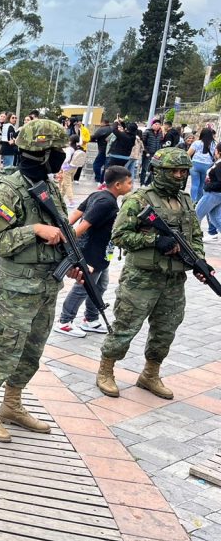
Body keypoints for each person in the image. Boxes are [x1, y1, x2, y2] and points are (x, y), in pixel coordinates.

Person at [0, 119, 74, 443]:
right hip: (18, 287)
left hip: (46, 285)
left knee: (32, 349)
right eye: (58, 150)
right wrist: (34, 231)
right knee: (5, 347)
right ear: (43, 153)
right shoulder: (8, 190)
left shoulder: (48, 185)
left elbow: (60, 228)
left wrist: (70, 261)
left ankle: (12, 403)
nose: (62, 156)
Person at [96, 147, 211, 399]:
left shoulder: (185, 201)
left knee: (166, 329)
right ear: (158, 172)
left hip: (173, 279)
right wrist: (154, 240)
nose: (179, 176)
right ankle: (106, 370)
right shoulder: (138, 200)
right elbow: (119, 235)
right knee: (126, 326)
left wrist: (200, 262)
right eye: (174, 171)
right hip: (141, 278)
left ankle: (150, 374)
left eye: (183, 171)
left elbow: (196, 236)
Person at [53, 166, 133, 337]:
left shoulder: (98, 195)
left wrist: (64, 231)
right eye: (129, 182)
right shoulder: (106, 202)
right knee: (84, 287)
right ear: (117, 185)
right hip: (91, 253)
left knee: (101, 285)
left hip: (102, 253)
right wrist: (64, 240)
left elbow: (75, 213)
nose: (131, 186)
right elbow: (83, 225)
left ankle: (90, 319)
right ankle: (65, 321)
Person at [196, 153, 221, 242]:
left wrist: (208, 187)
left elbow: (219, 182)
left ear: (219, 152)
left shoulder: (219, 165)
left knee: (196, 215)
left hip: (213, 194)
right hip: (216, 194)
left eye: (216, 150)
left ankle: (192, 237)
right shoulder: (217, 163)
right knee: (215, 218)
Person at [189, 127, 218, 203]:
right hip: (207, 166)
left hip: (195, 164)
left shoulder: (197, 143)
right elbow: (216, 156)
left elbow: (188, 154)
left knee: (194, 184)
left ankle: (192, 201)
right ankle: (199, 201)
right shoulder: (214, 144)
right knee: (202, 185)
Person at [57, 134, 86, 207]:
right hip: (74, 168)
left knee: (67, 184)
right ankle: (60, 198)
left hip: (67, 168)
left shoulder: (69, 149)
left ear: (70, 140)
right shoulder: (77, 147)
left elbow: (67, 159)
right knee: (64, 184)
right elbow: (81, 141)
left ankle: (71, 201)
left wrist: (61, 165)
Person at [141, 118, 164, 185]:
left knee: (153, 169)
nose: (157, 126)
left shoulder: (160, 134)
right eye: (156, 124)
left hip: (156, 154)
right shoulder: (147, 132)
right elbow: (143, 143)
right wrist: (146, 152)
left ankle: (148, 183)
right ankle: (142, 183)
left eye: (159, 124)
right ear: (152, 125)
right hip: (148, 153)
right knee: (145, 169)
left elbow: (161, 142)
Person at [91, 120, 114, 184]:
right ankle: (103, 180)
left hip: (103, 150)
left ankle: (98, 178)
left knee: (96, 165)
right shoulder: (113, 129)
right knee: (106, 166)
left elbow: (94, 136)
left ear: (103, 123)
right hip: (111, 151)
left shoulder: (102, 129)